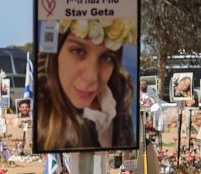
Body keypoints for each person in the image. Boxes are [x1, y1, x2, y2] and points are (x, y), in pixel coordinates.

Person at [35, 18, 136, 150]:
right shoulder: (41, 119)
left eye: (107, 57)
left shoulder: (121, 97)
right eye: (78, 51)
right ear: (55, 54)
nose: (91, 77)